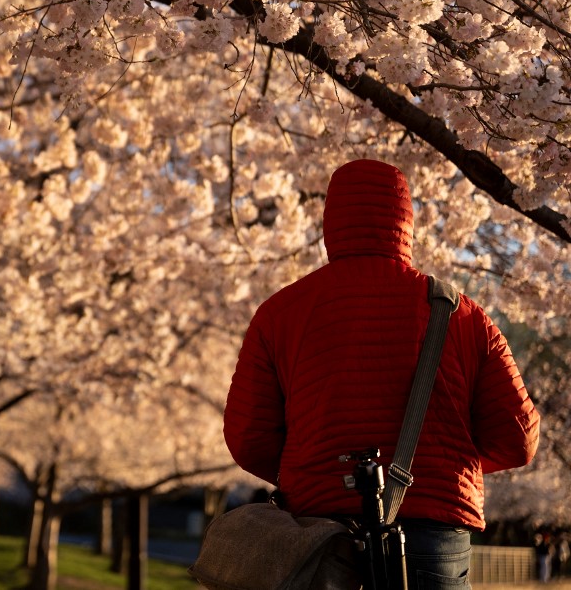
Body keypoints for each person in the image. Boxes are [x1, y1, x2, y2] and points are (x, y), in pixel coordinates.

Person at [223, 159, 540, 589]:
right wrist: (445, 465)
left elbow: (247, 437)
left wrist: (310, 469)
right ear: (406, 221)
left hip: (320, 534)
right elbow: (518, 439)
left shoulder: (279, 313)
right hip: (435, 533)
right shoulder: (463, 315)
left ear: (329, 222)